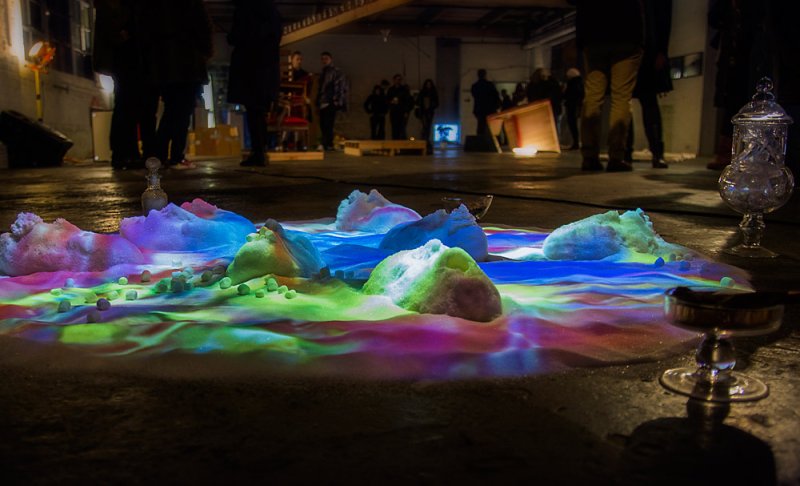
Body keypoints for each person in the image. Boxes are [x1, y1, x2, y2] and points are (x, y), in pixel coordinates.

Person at [569, 0, 644, 172]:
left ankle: (589, 156)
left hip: (593, 33)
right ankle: (616, 157)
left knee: (593, 97)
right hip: (626, 31)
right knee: (621, 98)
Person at [140, 0, 212, 170]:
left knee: (171, 111)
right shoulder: (192, 7)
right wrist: (205, 51)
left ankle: (160, 154)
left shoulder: (158, 8)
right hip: (188, 64)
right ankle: (176, 156)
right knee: (182, 112)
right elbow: (203, 29)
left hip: (166, 65)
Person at [93, 0, 158, 170]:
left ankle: (128, 153)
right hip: (128, 57)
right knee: (128, 108)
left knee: (132, 108)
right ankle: (126, 153)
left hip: (134, 57)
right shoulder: (119, 7)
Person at [227, 0, 282, 166]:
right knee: (259, 112)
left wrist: (232, 37)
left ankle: (258, 152)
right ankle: (260, 151)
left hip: (250, 67)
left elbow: (239, 35)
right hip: (266, 68)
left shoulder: (246, 9)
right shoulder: (272, 10)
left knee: (253, 111)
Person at [628, 0, 672, 169]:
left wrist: (662, 50)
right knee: (625, 102)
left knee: (648, 102)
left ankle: (657, 153)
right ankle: (626, 152)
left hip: (647, 48)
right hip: (631, 45)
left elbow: (664, 17)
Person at [317, 51, 347, 151]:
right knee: (323, 124)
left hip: (330, 102)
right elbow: (321, 88)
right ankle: (327, 144)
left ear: (331, 59)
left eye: (326, 58)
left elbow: (340, 86)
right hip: (323, 101)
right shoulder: (323, 72)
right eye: (322, 59)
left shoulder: (336, 71)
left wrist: (337, 101)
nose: (324, 60)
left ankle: (325, 143)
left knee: (328, 124)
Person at [527, 68, 563, 133]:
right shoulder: (551, 83)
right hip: (550, 108)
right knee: (552, 125)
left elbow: (532, 96)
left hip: (542, 108)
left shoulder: (536, 84)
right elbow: (558, 96)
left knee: (544, 126)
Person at [471, 68, 500, 136]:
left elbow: (475, 96)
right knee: (490, 128)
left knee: (480, 127)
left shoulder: (475, 86)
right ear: (485, 75)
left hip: (479, 110)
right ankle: (489, 143)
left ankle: (480, 143)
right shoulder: (489, 85)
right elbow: (495, 96)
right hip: (489, 109)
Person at [386, 74, 413, 140]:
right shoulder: (391, 89)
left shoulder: (404, 90)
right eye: (397, 79)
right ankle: (395, 145)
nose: (398, 81)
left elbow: (407, 101)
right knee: (394, 128)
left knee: (401, 128)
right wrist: (391, 102)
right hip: (393, 111)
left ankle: (401, 146)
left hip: (401, 111)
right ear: (394, 80)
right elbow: (387, 99)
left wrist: (406, 111)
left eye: (399, 79)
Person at [563, 67, 584, 150]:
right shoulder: (580, 83)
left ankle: (575, 143)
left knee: (573, 125)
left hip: (572, 106)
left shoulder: (572, 83)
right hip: (575, 106)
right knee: (574, 125)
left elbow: (569, 94)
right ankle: (575, 143)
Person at [416, 79, 439, 152]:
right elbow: (418, 102)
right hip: (423, 112)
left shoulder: (433, 93)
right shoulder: (422, 92)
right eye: (427, 84)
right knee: (424, 127)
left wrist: (431, 106)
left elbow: (437, 103)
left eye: (430, 84)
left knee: (428, 127)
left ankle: (426, 141)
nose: (428, 85)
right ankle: (423, 141)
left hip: (430, 112)